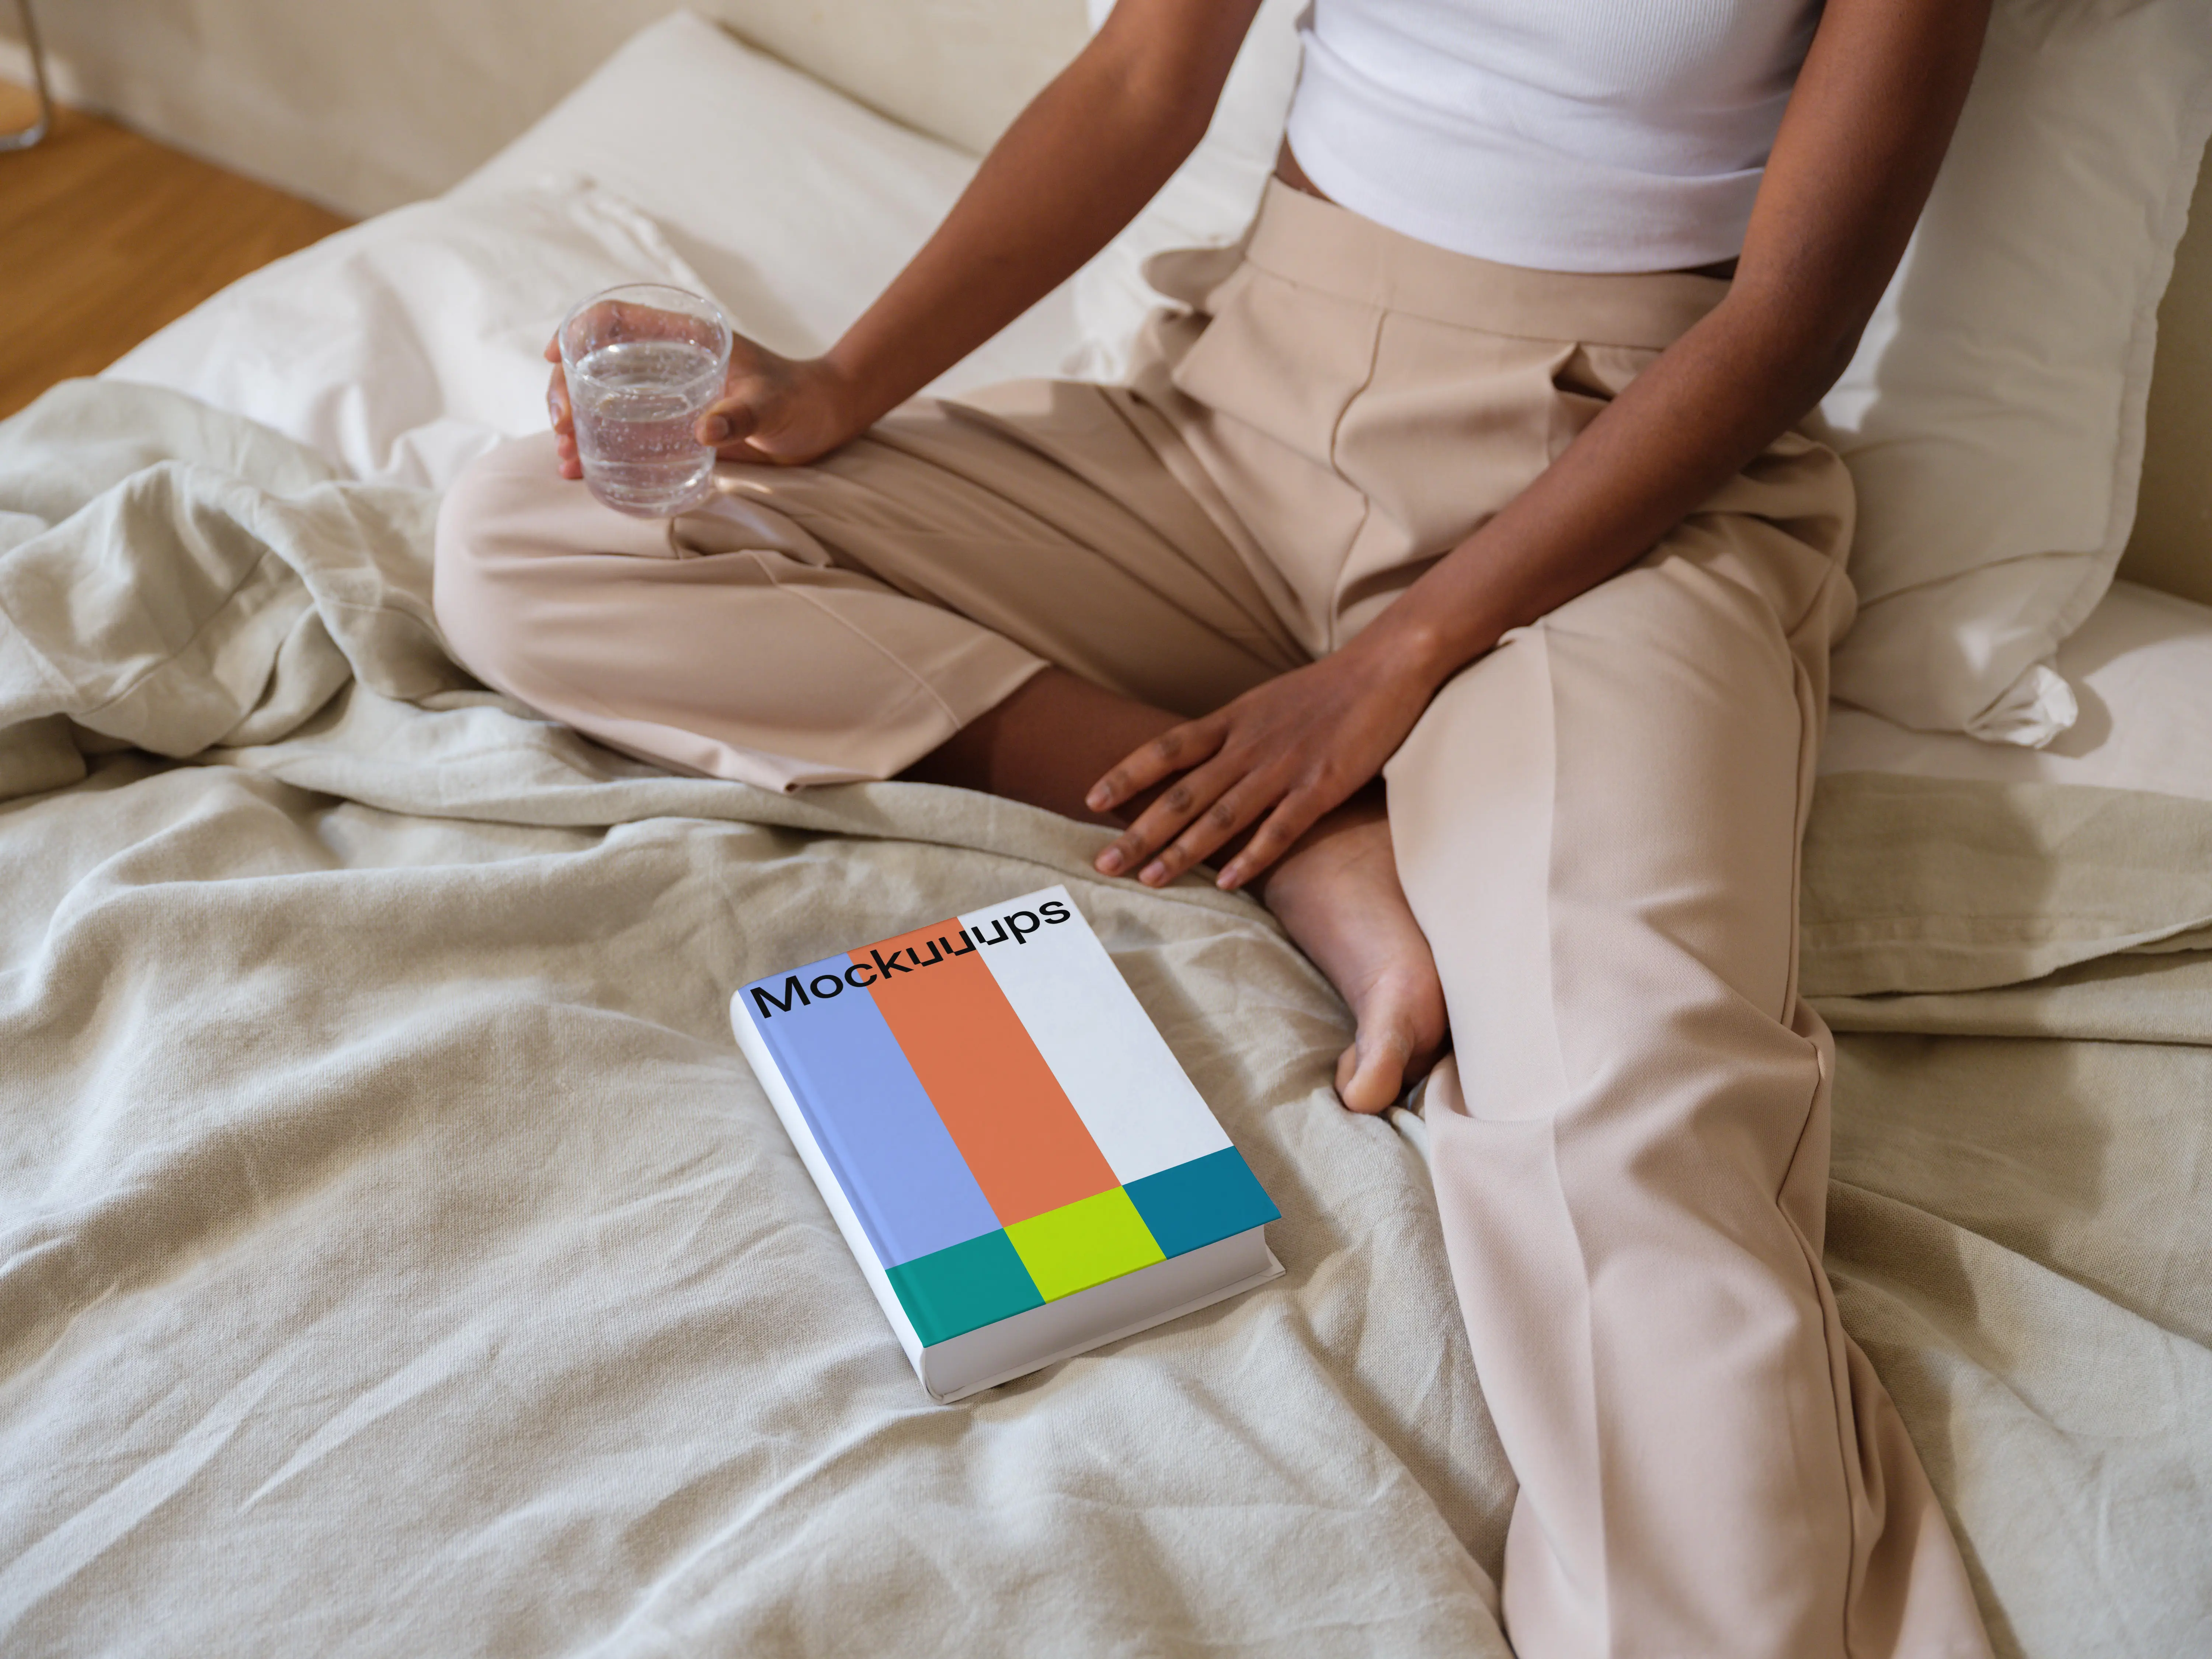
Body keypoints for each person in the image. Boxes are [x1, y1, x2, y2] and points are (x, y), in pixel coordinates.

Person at [434, 0, 1997, 1651]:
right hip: (1235, 418)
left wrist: (1393, 663)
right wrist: (838, 388)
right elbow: (1138, 81)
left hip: (1616, 489)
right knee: (542, 533)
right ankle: (1305, 845)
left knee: (1631, 1083)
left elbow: (1788, 327)